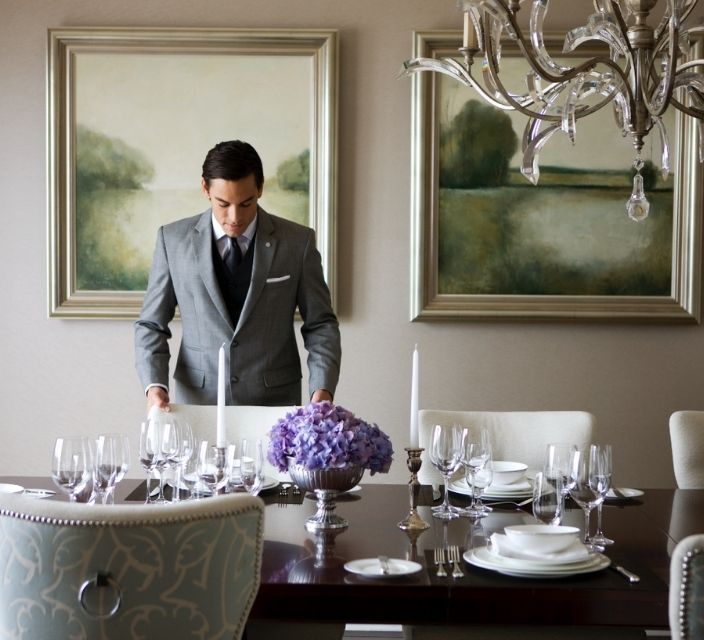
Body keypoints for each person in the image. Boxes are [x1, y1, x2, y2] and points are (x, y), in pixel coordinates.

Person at [135, 140, 341, 412]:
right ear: (205, 189)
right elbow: (151, 324)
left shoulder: (297, 243)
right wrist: (155, 387)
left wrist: (322, 389)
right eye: (223, 203)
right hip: (198, 404)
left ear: (260, 188)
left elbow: (321, 325)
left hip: (274, 405)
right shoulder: (171, 241)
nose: (234, 217)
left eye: (246, 203)